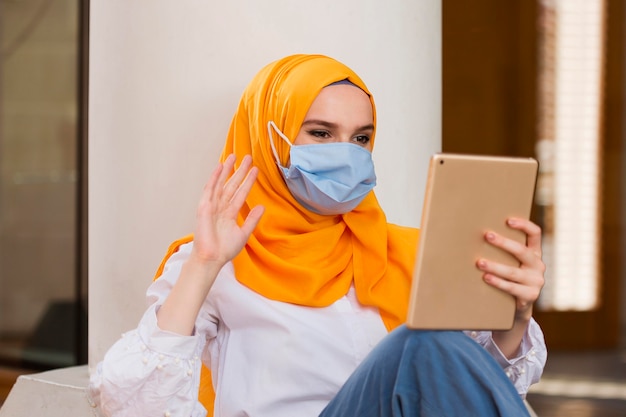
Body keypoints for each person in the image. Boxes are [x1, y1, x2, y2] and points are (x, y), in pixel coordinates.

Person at [88, 54, 547, 417]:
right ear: (269, 138)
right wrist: (205, 265)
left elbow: (468, 397)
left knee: (431, 345)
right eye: (321, 133)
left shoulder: (407, 252)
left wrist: (517, 317)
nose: (345, 153)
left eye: (361, 138)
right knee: (421, 341)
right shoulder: (219, 261)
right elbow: (132, 404)